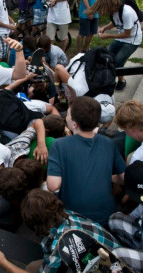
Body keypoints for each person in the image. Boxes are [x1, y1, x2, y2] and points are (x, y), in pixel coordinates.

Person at [0, 188, 121, 273]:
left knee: (31, 268)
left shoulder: (58, 246)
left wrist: (4, 263)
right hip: (120, 259)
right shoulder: (69, 214)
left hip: (108, 267)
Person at [47, 96, 126, 226]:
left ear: (74, 124)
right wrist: (104, 176)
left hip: (75, 217)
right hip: (106, 216)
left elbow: (53, 185)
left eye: (68, 114)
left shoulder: (59, 145)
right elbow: (123, 178)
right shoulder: (108, 143)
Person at [86, 0, 142, 91]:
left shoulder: (127, 12)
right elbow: (115, 22)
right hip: (121, 38)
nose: (104, 12)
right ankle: (106, 78)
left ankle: (121, 81)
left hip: (132, 40)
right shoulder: (114, 11)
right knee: (106, 55)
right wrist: (105, 28)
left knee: (117, 60)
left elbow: (127, 34)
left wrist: (108, 35)